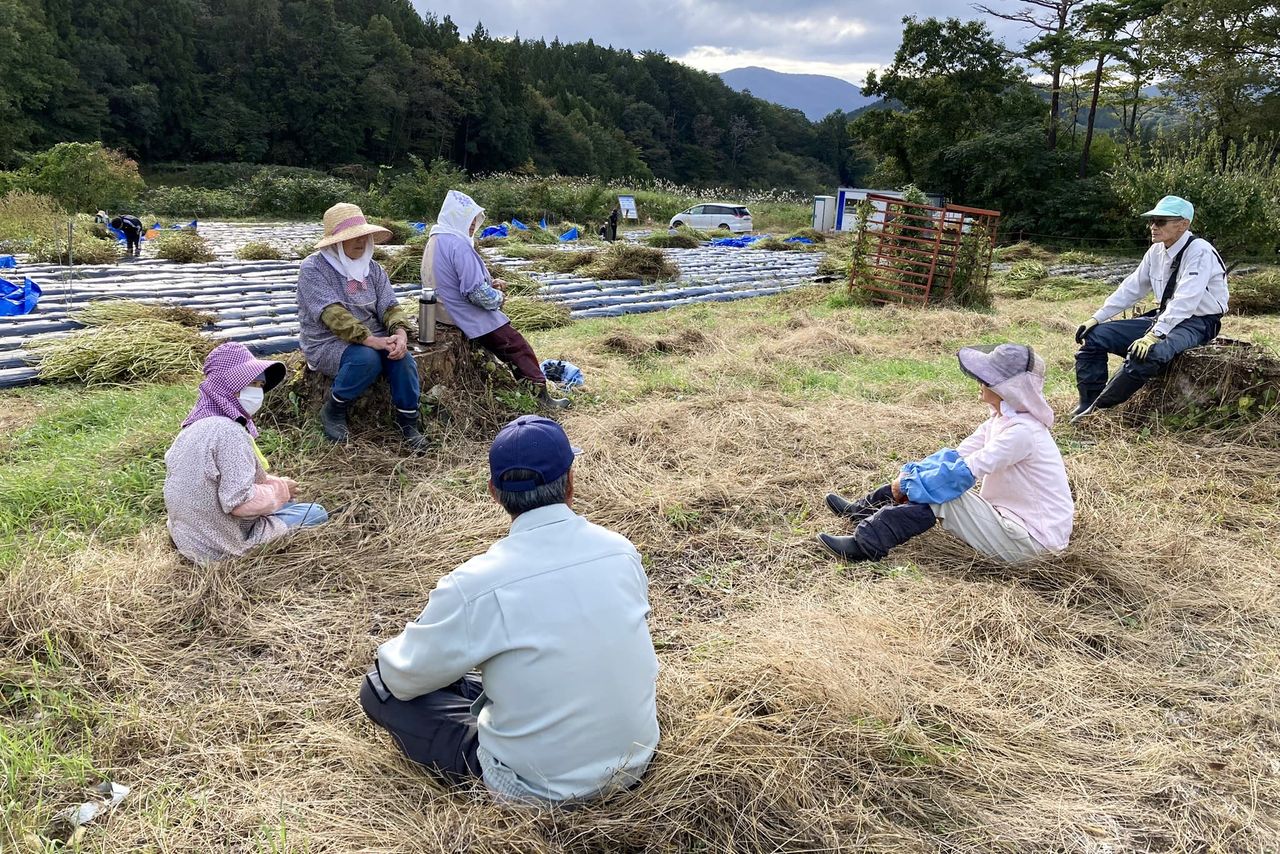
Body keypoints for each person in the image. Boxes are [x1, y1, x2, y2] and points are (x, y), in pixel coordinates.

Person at [360, 415, 659, 804]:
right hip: (636, 759)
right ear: (570, 482)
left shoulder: (475, 585)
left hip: (538, 789)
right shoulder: (620, 550)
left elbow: (400, 678)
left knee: (378, 689)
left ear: (494, 492)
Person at [819, 344, 1073, 565]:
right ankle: (864, 509)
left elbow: (963, 472)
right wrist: (909, 476)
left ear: (1007, 389)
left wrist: (910, 483)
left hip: (1033, 543)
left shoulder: (1023, 433)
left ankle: (865, 544)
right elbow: (955, 457)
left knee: (942, 493)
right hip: (1011, 523)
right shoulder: (1002, 421)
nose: (980, 381)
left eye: (988, 378)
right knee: (934, 482)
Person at [164, 342, 328, 564]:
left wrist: (274, 485)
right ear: (228, 385)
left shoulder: (193, 428)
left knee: (287, 505)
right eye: (251, 383)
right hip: (218, 546)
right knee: (316, 511)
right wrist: (280, 491)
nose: (257, 392)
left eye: (260, 385)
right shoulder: (229, 432)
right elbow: (240, 503)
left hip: (188, 537)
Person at [1071, 195, 1229, 422]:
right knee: (1094, 337)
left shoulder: (1200, 251)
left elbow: (1186, 300)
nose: (1153, 226)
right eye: (1152, 221)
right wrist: (1097, 318)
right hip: (1164, 315)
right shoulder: (1156, 251)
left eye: (1161, 221)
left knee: (1148, 354)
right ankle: (1087, 401)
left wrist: (1154, 335)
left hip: (1197, 322)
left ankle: (1101, 408)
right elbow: (1132, 288)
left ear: (1183, 224)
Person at [296, 202, 429, 452]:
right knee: (366, 359)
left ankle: (408, 423)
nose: (361, 242)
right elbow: (332, 314)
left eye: (364, 236)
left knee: (403, 360)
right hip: (328, 341)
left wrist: (399, 333)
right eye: (353, 237)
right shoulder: (314, 269)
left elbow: (390, 305)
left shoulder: (373, 269)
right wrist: (371, 341)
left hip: (373, 336)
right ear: (336, 242)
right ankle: (334, 410)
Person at [421, 190, 569, 409]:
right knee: (517, 346)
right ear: (456, 218)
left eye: (474, 221)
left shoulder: (435, 239)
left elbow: (452, 279)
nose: (472, 226)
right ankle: (540, 397)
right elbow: (477, 294)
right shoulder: (458, 245)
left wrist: (488, 282)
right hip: (462, 313)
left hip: (440, 310)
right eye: (468, 221)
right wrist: (498, 296)